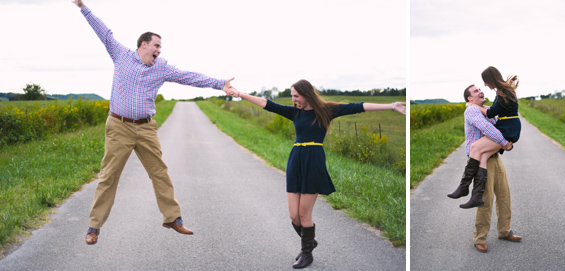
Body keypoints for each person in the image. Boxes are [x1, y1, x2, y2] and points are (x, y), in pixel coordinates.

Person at [74, 0, 237, 245]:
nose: (160, 50)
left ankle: (173, 218)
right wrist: (83, 7)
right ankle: (94, 227)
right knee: (109, 176)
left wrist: (219, 83)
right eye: (157, 45)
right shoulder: (121, 55)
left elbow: (187, 77)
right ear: (143, 45)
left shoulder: (160, 67)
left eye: (161, 46)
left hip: (146, 127)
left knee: (160, 172)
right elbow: (103, 32)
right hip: (119, 126)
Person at [227, 80, 404, 268]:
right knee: (293, 216)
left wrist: (392, 106)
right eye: (292, 96)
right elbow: (266, 104)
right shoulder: (295, 113)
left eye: (296, 96)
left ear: (306, 94)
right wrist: (240, 94)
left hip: (313, 162)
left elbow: (359, 107)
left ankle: (306, 253)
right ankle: (309, 241)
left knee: (304, 215)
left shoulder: (326, 111)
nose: (293, 99)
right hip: (295, 161)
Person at [449, 66, 520, 209]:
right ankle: (475, 196)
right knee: (481, 156)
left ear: (491, 79)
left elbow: (490, 116)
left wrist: (472, 106)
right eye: (477, 90)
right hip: (507, 129)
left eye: (485, 83)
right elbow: (492, 113)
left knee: (475, 147)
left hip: (508, 129)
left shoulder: (503, 93)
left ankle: (464, 187)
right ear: (470, 97)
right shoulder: (502, 93)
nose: (484, 86)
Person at [460, 85, 520, 253]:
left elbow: (497, 122)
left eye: (480, 89)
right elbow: (489, 129)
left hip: (494, 156)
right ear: (470, 99)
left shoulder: (484, 109)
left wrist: (485, 108)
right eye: (476, 91)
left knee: (504, 195)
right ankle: (479, 238)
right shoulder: (472, 112)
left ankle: (505, 231)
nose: (481, 91)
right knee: (485, 199)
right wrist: (505, 142)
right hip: (481, 160)